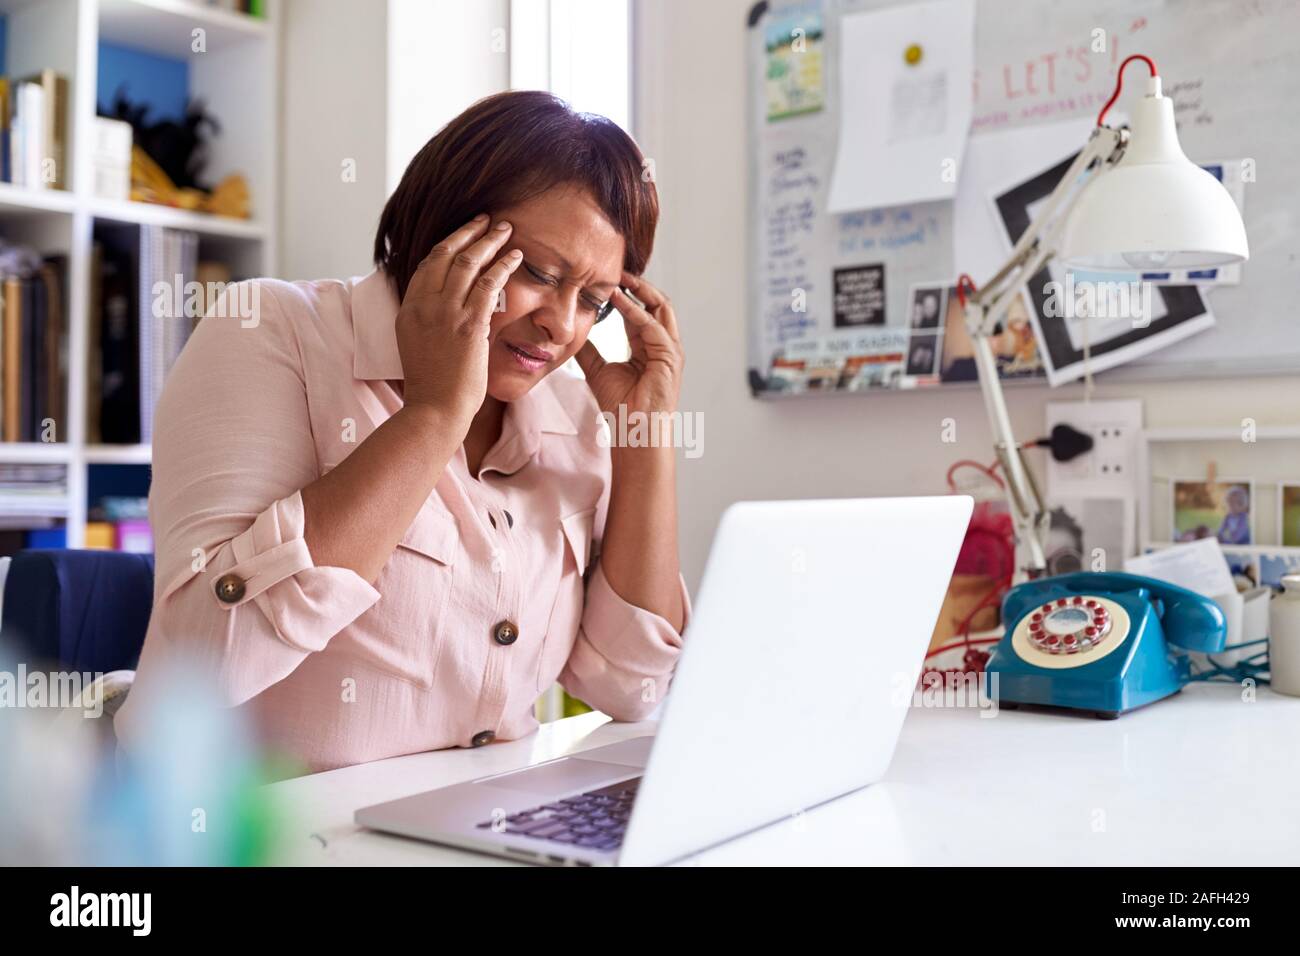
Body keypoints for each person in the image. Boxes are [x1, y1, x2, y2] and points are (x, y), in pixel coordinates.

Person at [115, 91, 691, 774]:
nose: (563, 325)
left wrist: (642, 440)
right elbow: (202, 670)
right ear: (447, 229)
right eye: (539, 273)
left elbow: (632, 688)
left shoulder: (568, 412)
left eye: (594, 301)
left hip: (477, 828)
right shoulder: (273, 332)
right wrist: (433, 416)